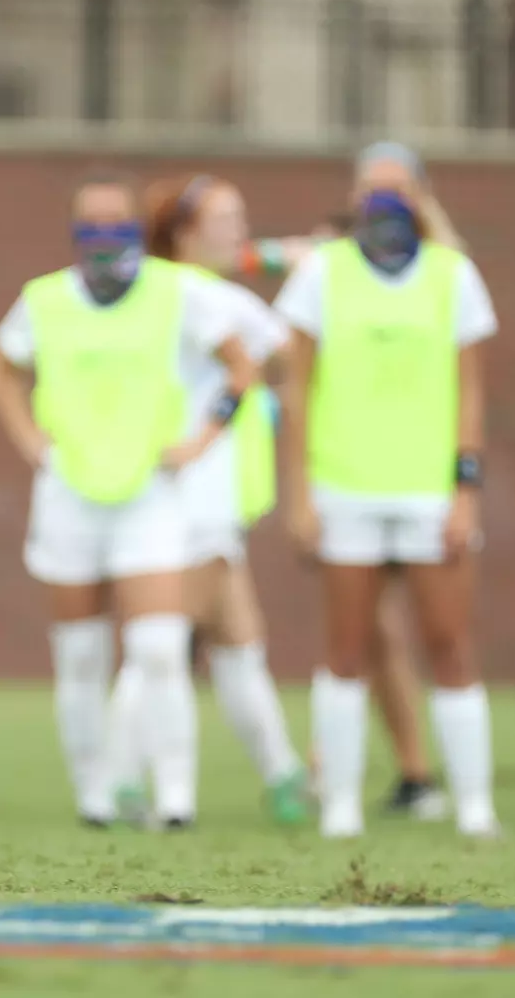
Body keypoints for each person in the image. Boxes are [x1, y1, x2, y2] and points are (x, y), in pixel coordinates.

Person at [0, 172, 258, 830]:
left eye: (116, 222)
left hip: (148, 496)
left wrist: (202, 439)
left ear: (136, 226)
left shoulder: (176, 294)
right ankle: (94, 795)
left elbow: (240, 368)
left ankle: (174, 798)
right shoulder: (44, 299)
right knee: (80, 654)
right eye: (90, 224)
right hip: (69, 496)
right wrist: (27, 438)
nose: (104, 236)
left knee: (159, 648)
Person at [276, 182, 500, 839]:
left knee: (450, 647)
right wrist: (300, 493)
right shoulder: (322, 272)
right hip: (345, 489)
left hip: (428, 493)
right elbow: (296, 390)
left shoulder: (452, 275)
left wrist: (465, 490)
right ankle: (340, 808)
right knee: (347, 651)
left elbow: (470, 392)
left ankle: (474, 809)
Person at [225, 194, 451, 823]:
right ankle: (389, 771)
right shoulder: (319, 275)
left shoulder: (407, 277)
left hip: (400, 476)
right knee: (370, 632)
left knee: (388, 631)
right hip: (346, 479)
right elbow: (243, 257)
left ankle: (394, 770)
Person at [135, 173, 311, 827]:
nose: (240, 231)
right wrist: (293, 267)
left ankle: (281, 774)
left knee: (233, 647)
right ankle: (133, 784)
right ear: (185, 233)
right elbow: (295, 351)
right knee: (166, 641)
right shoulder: (209, 298)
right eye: (225, 219)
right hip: (193, 496)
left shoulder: (178, 291)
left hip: (197, 495)